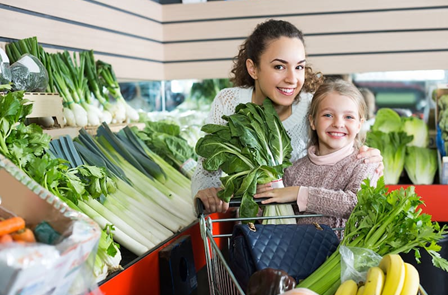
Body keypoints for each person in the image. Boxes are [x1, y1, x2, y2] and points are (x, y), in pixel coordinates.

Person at [191, 19, 383, 214]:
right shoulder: (228, 101)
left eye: (299, 67)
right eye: (279, 67)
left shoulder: (313, 107)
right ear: (253, 68)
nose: (292, 79)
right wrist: (206, 191)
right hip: (247, 221)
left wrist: (366, 158)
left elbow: (338, 156)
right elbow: (206, 169)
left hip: (304, 224)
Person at [254, 80, 381, 230]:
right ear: (313, 121)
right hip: (298, 252)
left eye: (349, 117)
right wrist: (261, 198)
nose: (338, 124)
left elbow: (356, 204)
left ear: (359, 124)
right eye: (328, 115)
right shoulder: (294, 170)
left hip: (346, 253)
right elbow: (271, 218)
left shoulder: (365, 163)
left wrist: (299, 193)